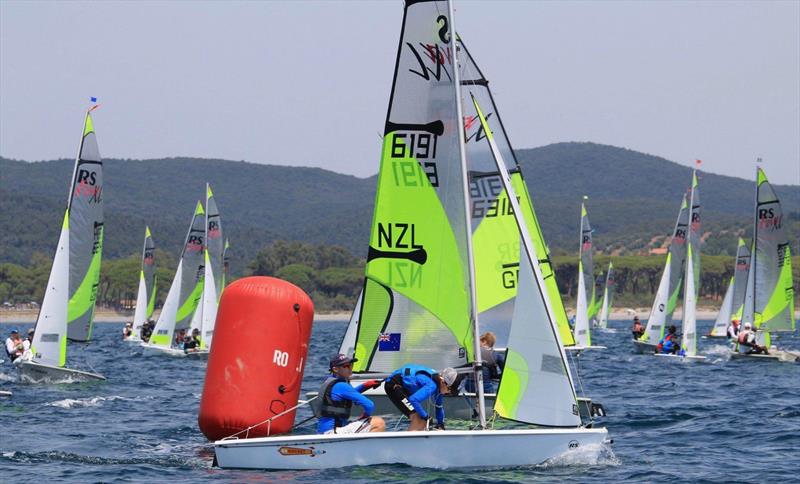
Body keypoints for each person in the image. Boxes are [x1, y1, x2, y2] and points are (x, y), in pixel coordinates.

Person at [317, 354, 385, 435]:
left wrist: (365, 385)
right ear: (335, 369)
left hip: (327, 431)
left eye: (351, 365)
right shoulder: (342, 385)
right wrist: (364, 416)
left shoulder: (333, 382)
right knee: (378, 422)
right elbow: (369, 405)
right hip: (332, 433)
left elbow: (349, 394)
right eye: (346, 366)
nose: (350, 368)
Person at [384, 364, 457, 431]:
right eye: (449, 389)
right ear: (442, 381)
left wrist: (441, 424)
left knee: (423, 421)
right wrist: (426, 416)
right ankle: (407, 443)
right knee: (418, 419)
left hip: (403, 387)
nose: (448, 392)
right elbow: (414, 399)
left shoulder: (440, 387)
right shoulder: (432, 386)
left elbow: (439, 407)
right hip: (394, 385)